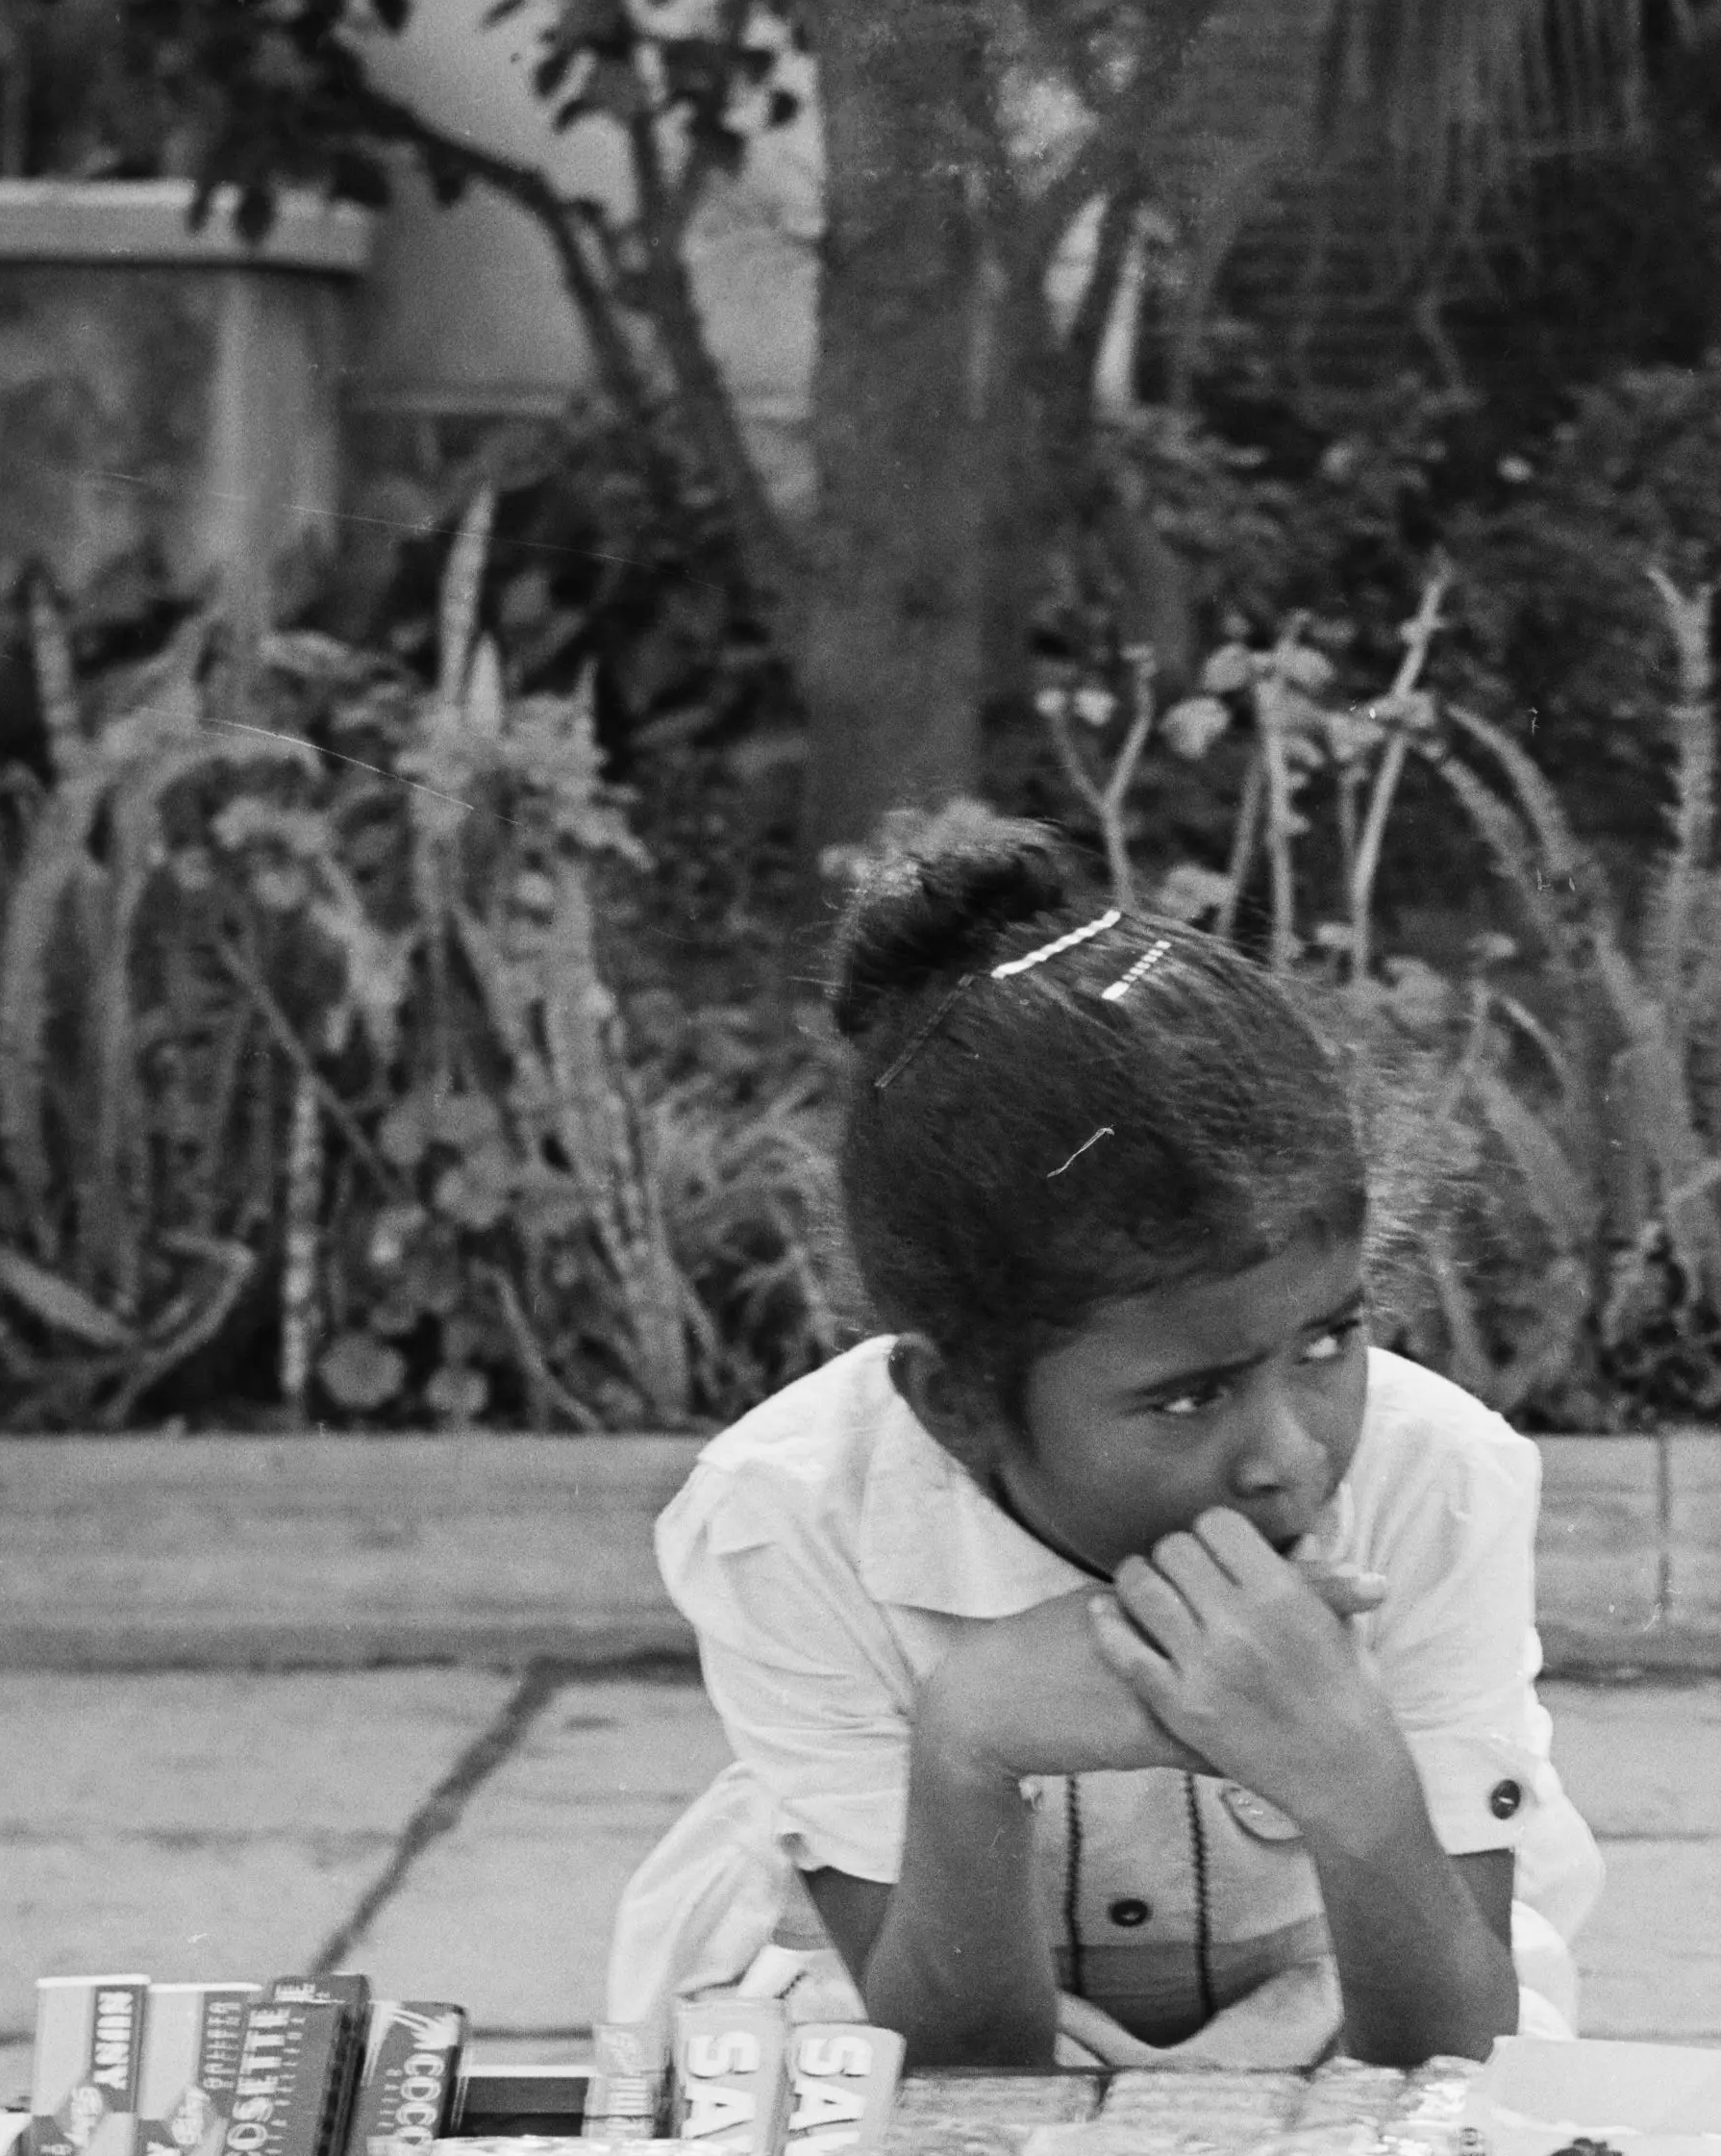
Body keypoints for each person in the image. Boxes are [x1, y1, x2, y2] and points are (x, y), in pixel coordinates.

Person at [605, 824, 1598, 2070]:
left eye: (1329, 1339)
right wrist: (965, 1742)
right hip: (908, 2031)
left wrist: (1353, 1784)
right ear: (954, 1401)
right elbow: (955, 2074)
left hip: (1328, 2011)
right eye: (1189, 1398)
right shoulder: (788, 1515)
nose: (1288, 1456)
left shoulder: (1433, 1481)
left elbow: (1452, 2058)